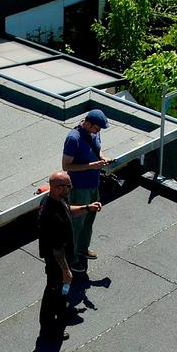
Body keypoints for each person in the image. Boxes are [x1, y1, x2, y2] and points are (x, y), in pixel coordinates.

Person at [37, 171, 101, 342]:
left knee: (63, 289)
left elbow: (68, 210)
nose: (70, 189)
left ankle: (62, 310)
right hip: (57, 263)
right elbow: (57, 249)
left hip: (64, 259)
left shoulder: (59, 199)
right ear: (58, 187)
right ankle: (48, 328)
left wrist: (87, 208)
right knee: (53, 292)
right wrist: (66, 270)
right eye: (68, 186)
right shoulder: (52, 214)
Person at [61, 109, 116, 274]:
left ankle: (83, 249)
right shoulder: (73, 138)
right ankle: (71, 259)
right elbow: (66, 166)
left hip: (93, 184)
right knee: (76, 224)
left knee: (89, 220)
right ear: (88, 123)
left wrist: (102, 157)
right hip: (79, 187)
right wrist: (91, 166)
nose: (98, 132)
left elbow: (97, 148)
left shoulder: (94, 133)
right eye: (97, 128)